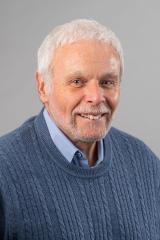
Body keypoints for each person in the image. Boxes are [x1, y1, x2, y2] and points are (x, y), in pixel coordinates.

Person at [0, 19, 159, 240]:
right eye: (77, 81)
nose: (95, 97)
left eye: (107, 82)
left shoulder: (146, 165)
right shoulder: (4, 172)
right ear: (43, 87)